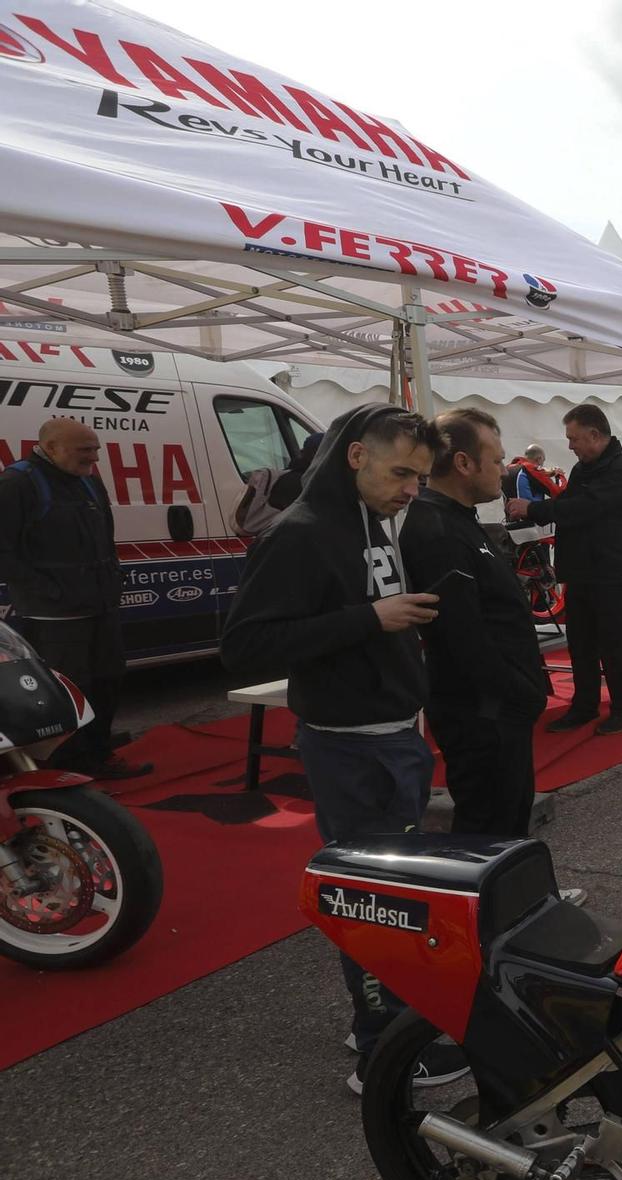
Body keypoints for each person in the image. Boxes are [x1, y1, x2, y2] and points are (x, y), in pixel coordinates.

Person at [220, 404, 465, 1094]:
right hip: (350, 751)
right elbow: (243, 649)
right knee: (374, 900)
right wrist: (371, 619)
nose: (412, 488)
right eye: (401, 472)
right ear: (356, 455)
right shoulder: (300, 535)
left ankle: (382, 1022)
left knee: (397, 893)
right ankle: (382, 1053)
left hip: (392, 740)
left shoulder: (373, 520)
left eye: (420, 475)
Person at [401, 408, 552, 837]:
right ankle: (488, 903)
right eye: (499, 460)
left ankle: (516, 899)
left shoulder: (458, 520)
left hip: (497, 709)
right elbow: (462, 638)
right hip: (483, 714)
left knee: (510, 815)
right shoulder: (436, 529)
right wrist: (521, 694)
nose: (505, 471)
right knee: (488, 826)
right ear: (464, 463)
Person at [0, 419, 150, 779]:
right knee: (69, 688)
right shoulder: (17, 483)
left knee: (109, 678)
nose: (95, 457)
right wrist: (47, 590)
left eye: (96, 449)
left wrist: (112, 580)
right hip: (54, 614)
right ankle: (69, 766)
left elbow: (105, 535)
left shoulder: (88, 479)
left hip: (100, 604)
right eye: (85, 449)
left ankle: (99, 755)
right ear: (50, 447)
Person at [506, 405, 622, 736]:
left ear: (595, 435)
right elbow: (569, 505)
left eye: (573, 438)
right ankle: (584, 706)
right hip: (581, 573)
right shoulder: (584, 468)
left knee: (615, 645)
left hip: (611, 574)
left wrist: (533, 509)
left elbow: (583, 508)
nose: (569, 446)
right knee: (581, 645)